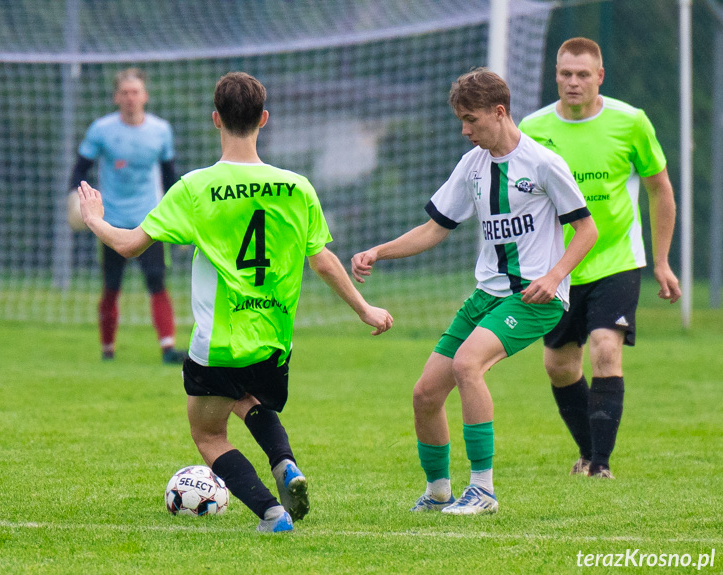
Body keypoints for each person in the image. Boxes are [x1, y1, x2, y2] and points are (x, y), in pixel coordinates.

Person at [79, 71, 393, 533]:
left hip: (219, 340)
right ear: (263, 119)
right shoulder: (297, 187)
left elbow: (128, 245)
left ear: (215, 119)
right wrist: (365, 309)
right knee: (246, 398)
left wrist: (94, 219)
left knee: (207, 433)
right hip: (273, 338)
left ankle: (271, 512)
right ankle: (284, 462)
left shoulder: (195, 188)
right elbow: (323, 261)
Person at [352, 68, 598, 515]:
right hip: (485, 297)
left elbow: (586, 229)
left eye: (471, 120)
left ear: (498, 112)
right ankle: (439, 491)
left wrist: (554, 275)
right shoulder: (473, 165)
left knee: (468, 365)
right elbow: (434, 228)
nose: (465, 130)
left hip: (533, 299)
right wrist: (378, 252)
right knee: (425, 394)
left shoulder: (543, 164)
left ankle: (483, 491)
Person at [519, 38, 681, 479]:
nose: (573, 82)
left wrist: (662, 261)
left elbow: (659, 189)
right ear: (556, 74)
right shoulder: (531, 129)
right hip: (558, 267)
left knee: (606, 350)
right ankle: (590, 454)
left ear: (600, 77)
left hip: (616, 259)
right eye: (565, 74)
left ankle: (600, 466)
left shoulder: (631, 122)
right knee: (558, 366)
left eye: (583, 74)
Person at [68, 68, 186, 364]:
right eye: (125, 93)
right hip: (113, 222)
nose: (131, 98)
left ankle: (168, 349)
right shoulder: (102, 130)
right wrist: (76, 197)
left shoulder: (161, 131)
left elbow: (171, 176)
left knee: (157, 281)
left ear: (145, 96)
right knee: (111, 286)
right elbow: (80, 169)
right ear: (116, 97)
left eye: (136, 92)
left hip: (151, 220)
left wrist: (183, 216)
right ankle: (108, 350)